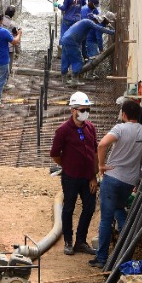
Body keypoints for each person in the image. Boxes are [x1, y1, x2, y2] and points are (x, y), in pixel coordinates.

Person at [90, 99, 142, 269]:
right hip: (129, 181)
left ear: (124, 114)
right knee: (119, 209)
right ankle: (125, 250)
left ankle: (102, 258)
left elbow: (102, 144)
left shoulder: (120, 128)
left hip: (112, 178)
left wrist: (101, 165)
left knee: (105, 219)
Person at [49, 92, 99, 255]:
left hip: (87, 177)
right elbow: (55, 153)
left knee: (89, 207)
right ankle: (68, 242)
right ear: (73, 110)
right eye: (82, 109)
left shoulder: (90, 128)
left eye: (87, 109)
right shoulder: (63, 130)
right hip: (71, 178)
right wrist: (67, 165)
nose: (85, 112)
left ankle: (81, 241)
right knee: (68, 208)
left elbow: (94, 152)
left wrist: (94, 176)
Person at [59, 13, 114, 85]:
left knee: (66, 59)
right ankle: (74, 81)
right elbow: (99, 28)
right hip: (71, 41)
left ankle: (64, 81)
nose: (97, 23)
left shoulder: (84, 27)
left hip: (65, 40)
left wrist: (85, 55)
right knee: (78, 61)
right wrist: (112, 32)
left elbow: (83, 42)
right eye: (97, 22)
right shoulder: (87, 22)